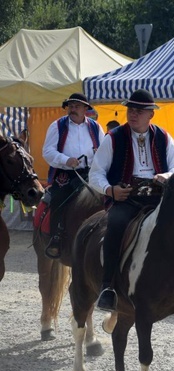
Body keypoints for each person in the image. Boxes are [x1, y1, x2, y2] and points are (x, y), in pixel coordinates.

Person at [89, 89, 174, 311]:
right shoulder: (112, 138)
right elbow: (95, 173)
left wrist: (166, 176)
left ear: (151, 114)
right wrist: (110, 190)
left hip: (159, 197)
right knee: (116, 225)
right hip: (126, 199)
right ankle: (108, 287)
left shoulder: (164, 136)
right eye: (130, 110)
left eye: (139, 111)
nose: (133, 114)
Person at [41, 93, 105, 259]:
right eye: (71, 106)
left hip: (90, 173)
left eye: (77, 106)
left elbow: (105, 151)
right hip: (65, 174)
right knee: (59, 199)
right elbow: (47, 152)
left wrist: (99, 156)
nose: (73, 109)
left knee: (107, 197)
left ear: (85, 109)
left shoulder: (96, 127)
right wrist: (66, 160)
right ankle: (56, 238)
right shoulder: (57, 126)